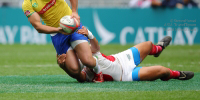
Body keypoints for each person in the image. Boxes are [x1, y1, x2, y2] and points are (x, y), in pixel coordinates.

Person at [18, 0, 102, 82]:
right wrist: (58, 30)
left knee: (88, 61)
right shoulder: (27, 3)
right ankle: (83, 70)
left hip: (73, 26)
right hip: (57, 34)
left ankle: (98, 70)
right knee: (74, 70)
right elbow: (38, 26)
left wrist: (74, 12)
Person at [57, 26, 194, 82]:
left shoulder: (85, 51)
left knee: (148, 44)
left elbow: (96, 47)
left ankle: (158, 49)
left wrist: (89, 34)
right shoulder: (80, 65)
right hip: (125, 75)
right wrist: (64, 67)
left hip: (120, 58)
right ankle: (177, 75)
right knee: (162, 70)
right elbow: (80, 78)